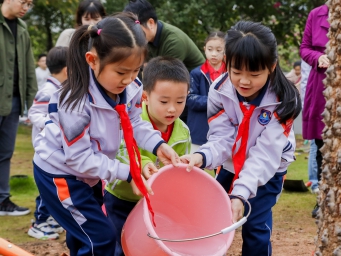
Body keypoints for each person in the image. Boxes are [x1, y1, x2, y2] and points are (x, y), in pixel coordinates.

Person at [32, 13, 179, 255]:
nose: (130, 79)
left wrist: (157, 145)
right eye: (122, 72)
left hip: (89, 174)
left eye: (135, 71)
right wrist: (128, 174)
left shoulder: (130, 88)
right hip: (60, 174)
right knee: (100, 237)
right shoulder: (76, 104)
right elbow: (78, 158)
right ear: (92, 60)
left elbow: (134, 123)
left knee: (85, 234)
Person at [181, 21, 302, 256]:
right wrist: (201, 156)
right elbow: (222, 138)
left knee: (255, 226)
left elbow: (265, 153)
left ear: (272, 66)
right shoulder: (219, 90)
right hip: (229, 164)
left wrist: (240, 194)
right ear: (227, 63)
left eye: (254, 74)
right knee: (211, 219)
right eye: (236, 72)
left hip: (268, 169)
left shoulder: (285, 100)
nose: (244, 81)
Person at [104, 56, 191, 255]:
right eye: (164, 101)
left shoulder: (183, 132)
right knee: (118, 245)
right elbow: (119, 152)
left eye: (180, 101)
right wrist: (142, 163)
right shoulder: (130, 121)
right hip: (122, 197)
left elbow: (182, 168)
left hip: (156, 203)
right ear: (145, 97)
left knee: (149, 246)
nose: (172, 108)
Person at [123, 0, 205, 124]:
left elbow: (164, 76)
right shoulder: (145, 40)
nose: (135, 37)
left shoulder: (174, 41)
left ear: (151, 23)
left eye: (137, 32)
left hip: (191, 89)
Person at [0, 0, 37, 216]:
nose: (26, 7)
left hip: (13, 101)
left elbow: (29, 69)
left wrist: (33, 105)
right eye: (23, 2)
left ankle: (3, 200)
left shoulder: (22, 30)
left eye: (30, 4)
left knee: (5, 153)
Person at [27, 47, 68, 240]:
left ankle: (51, 218)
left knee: (54, 191)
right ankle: (39, 222)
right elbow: (34, 113)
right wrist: (50, 124)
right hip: (45, 152)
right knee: (47, 191)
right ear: (68, 70)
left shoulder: (59, 89)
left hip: (54, 151)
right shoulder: (49, 90)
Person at [300, 4, 329, 218]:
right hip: (321, 85)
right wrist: (317, 58)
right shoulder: (315, 14)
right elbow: (304, 48)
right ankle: (323, 201)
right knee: (321, 146)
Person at [187, 31, 226, 153]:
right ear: (204, 49)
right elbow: (190, 99)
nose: (214, 54)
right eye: (210, 49)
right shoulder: (196, 73)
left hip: (224, 129)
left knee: (223, 168)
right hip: (199, 128)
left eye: (219, 50)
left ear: (225, 51)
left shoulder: (231, 74)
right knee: (192, 166)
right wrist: (216, 101)